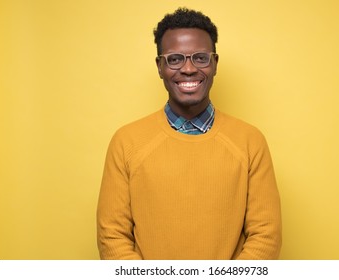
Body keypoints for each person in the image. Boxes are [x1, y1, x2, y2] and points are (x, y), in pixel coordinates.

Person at [97, 7, 282, 260]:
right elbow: (112, 236)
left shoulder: (250, 141)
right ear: (160, 66)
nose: (188, 69)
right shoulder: (126, 142)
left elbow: (266, 236)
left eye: (200, 58)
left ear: (215, 63)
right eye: (174, 59)